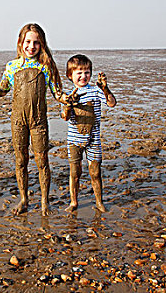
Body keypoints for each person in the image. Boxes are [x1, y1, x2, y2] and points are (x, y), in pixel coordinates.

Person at [0, 23, 73, 216]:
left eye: (36, 42)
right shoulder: (12, 66)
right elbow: (3, 90)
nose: (31, 46)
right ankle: (24, 199)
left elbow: (57, 93)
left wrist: (67, 99)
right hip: (18, 121)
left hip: (39, 122)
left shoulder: (46, 67)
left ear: (42, 45)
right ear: (20, 43)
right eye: (28, 42)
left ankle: (45, 202)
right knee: (21, 161)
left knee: (42, 160)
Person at [60, 54, 117, 213]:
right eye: (79, 73)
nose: (83, 76)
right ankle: (74, 202)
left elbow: (111, 103)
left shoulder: (96, 91)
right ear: (70, 76)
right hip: (74, 141)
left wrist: (105, 88)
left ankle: (99, 202)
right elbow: (65, 118)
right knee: (74, 173)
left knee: (95, 172)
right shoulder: (68, 95)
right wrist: (68, 106)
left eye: (87, 72)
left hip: (93, 140)